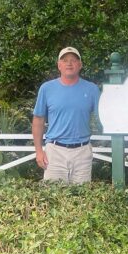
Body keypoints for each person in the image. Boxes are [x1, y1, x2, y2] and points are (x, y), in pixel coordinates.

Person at [32, 47, 100, 184]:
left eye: (74, 60)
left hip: (82, 152)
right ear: (59, 65)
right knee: (53, 199)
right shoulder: (46, 88)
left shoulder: (92, 89)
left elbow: (103, 117)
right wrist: (39, 151)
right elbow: (38, 120)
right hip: (54, 152)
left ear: (80, 65)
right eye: (65, 60)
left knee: (82, 199)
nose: (69, 64)